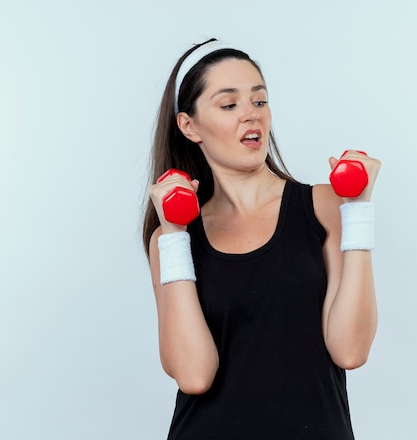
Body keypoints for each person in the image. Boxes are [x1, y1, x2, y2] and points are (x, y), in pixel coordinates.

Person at [141, 38, 381, 440]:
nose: (250, 116)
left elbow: (350, 350)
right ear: (189, 125)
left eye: (259, 101)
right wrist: (174, 235)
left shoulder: (325, 207)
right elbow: (194, 374)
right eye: (229, 105)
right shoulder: (172, 237)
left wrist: (358, 210)